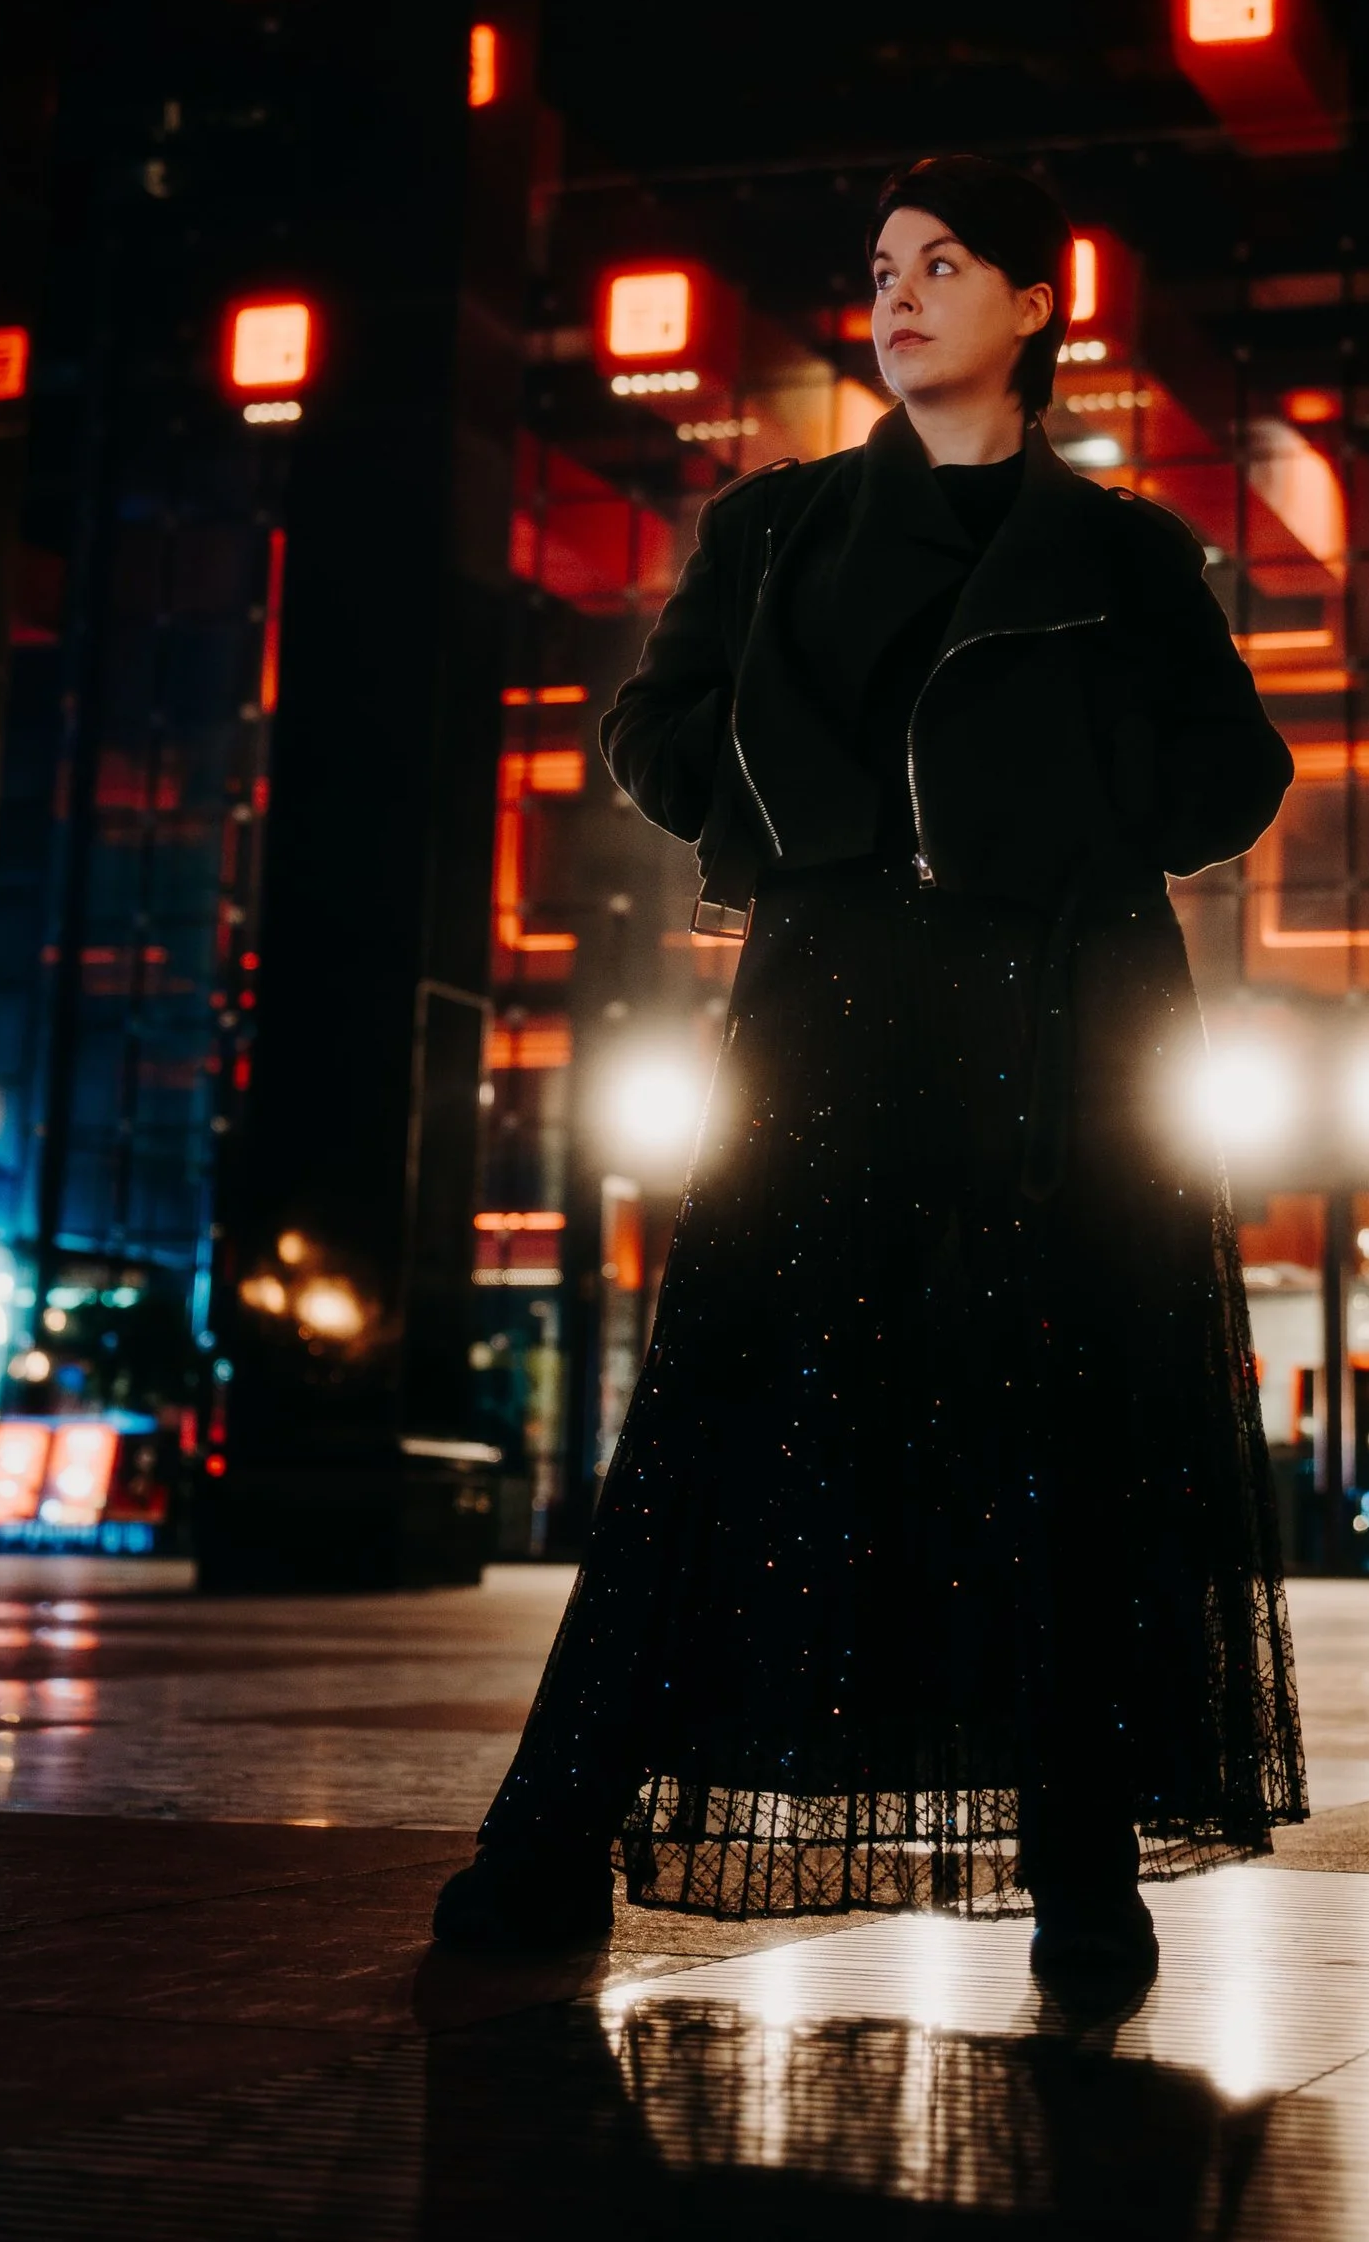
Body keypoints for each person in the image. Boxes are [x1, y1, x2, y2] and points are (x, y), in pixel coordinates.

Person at [434, 154, 1303, 1984]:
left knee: (1060, 1433)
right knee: (718, 1424)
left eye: (946, 261)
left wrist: (1052, 823)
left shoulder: (1129, 551)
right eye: (884, 265)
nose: (898, 294)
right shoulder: (774, 528)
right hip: (828, 1018)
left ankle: (1085, 1867)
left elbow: (1234, 779)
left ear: (1039, 305)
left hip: (1065, 1031)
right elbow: (648, 727)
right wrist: (825, 830)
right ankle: (555, 1838)